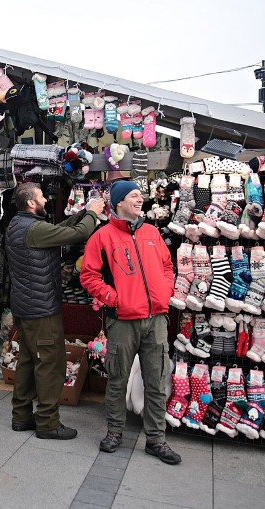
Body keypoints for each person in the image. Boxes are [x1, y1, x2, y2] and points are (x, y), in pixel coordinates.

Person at [79, 180, 181, 465]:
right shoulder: (102, 237)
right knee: (117, 380)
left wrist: (165, 290)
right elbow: (89, 276)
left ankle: (156, 440)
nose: (140, 200)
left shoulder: (152, 233)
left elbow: (166, 266)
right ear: (119, 202)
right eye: (134, 196)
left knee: (157, 381)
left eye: (140, 196)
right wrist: (114, 298)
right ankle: (114, 432)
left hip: (156, 319)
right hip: (122, 320)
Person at [5, 182, 104, 439]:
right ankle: (48, 423)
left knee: (27, 361)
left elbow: (58, 229)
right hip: (41, 310)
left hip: (26, 307)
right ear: (30, 203)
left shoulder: (19, 225)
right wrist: (92, 213)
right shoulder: (34, 229)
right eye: (41, 198)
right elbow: (78, 234)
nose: (46, 201)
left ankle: (21, 416)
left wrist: (81, 212)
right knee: (51, 365)